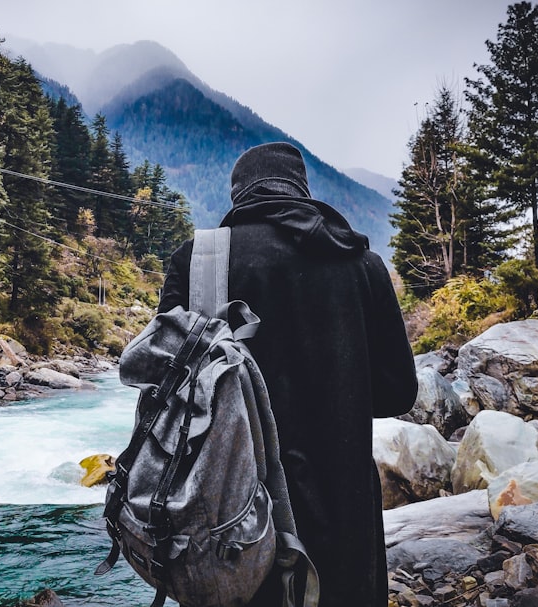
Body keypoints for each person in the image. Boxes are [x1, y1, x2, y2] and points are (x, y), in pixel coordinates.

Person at [157, 142, 418, 607]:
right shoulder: (363, 264)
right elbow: (399, 394)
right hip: (344, 509)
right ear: (301, 189)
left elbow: (165, 394)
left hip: (231, 516)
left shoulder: (199, 262)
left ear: (240, 195)